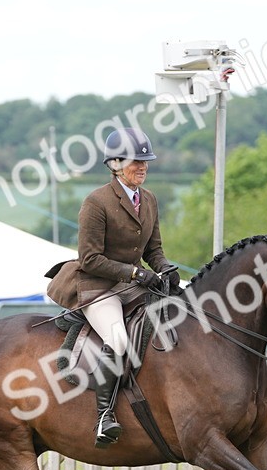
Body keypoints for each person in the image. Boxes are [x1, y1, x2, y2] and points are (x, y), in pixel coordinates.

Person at [64, 127, 180, 447]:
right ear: (115, 165)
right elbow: (90, 259)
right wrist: (136, 274)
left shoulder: (149, 199)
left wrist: (165, 268)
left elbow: (153, 250)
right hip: (98, 287)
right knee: (117, 338)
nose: (143, 167)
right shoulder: (96, 202)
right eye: (135, 162)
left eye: (146, 161)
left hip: (131, 284)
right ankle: (104, 416)